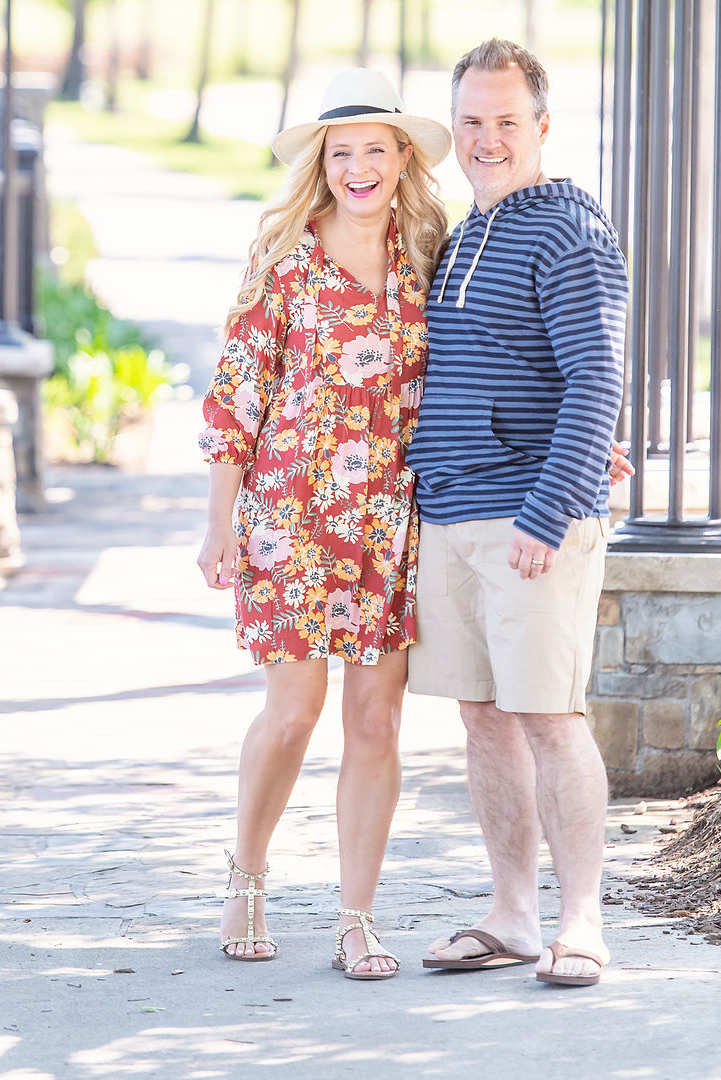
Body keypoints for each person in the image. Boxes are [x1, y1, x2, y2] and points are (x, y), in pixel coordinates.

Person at [196, 68, 450, 981]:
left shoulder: (431, 258)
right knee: (295, 713)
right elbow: (237, 399)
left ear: (402, 158)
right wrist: (219, 521)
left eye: (373, 150)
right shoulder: (285, 265)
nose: (356, 168)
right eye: (339, 153)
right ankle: (249, 875)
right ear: (322, 166)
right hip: (291, 519)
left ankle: (356, 917)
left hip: (389, 521)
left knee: (377, 723)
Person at [405, 37, 629, 988]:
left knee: (548, 715)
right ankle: (513, 914)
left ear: (543, 126)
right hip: (450, 516)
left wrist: (549, 509)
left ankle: (583, 921)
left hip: (532, 521)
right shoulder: (466, 232)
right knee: (484, 717)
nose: (486, 138)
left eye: (505, 121)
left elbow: (595, 378)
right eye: (471, 122)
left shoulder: (567, 229)